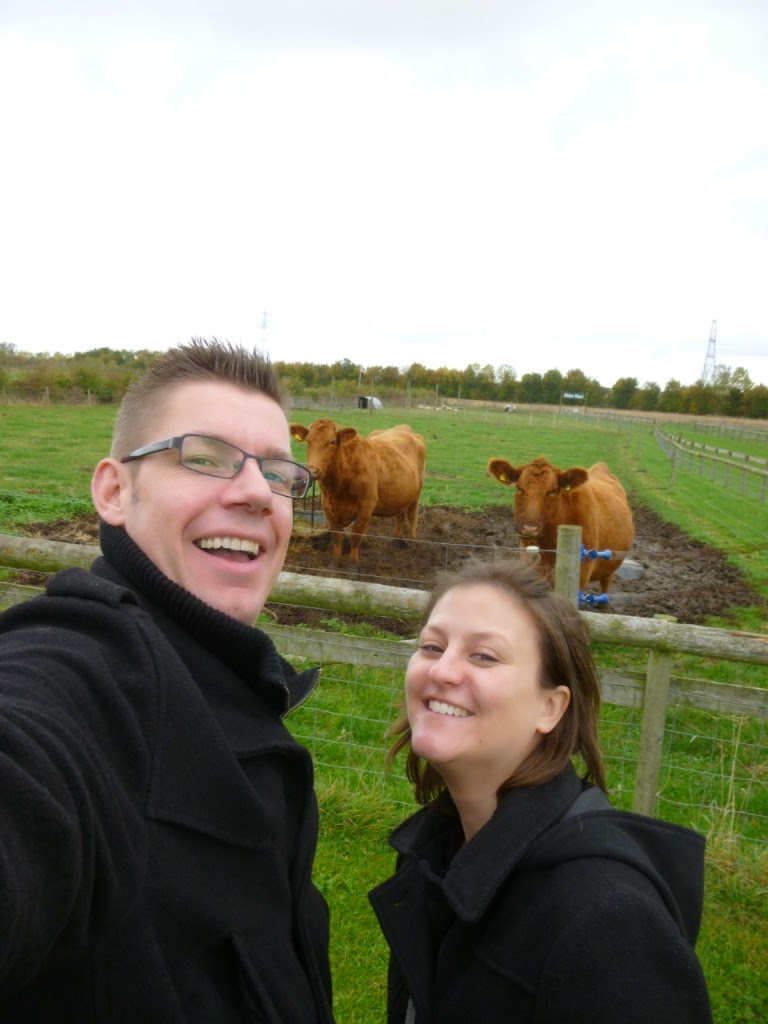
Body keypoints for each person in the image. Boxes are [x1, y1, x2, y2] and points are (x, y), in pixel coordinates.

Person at [0, 338, 334, 1022]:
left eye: (278, 472)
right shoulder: (87, 667)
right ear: (114, 491)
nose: (253, 493)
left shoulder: (229, 681)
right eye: (204, 457)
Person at [369, 558, 712, 1024]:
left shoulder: (612, 928)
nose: (442, 671)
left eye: (484, 656)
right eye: (432, 646)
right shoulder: (432, 856)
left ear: (550, 708)